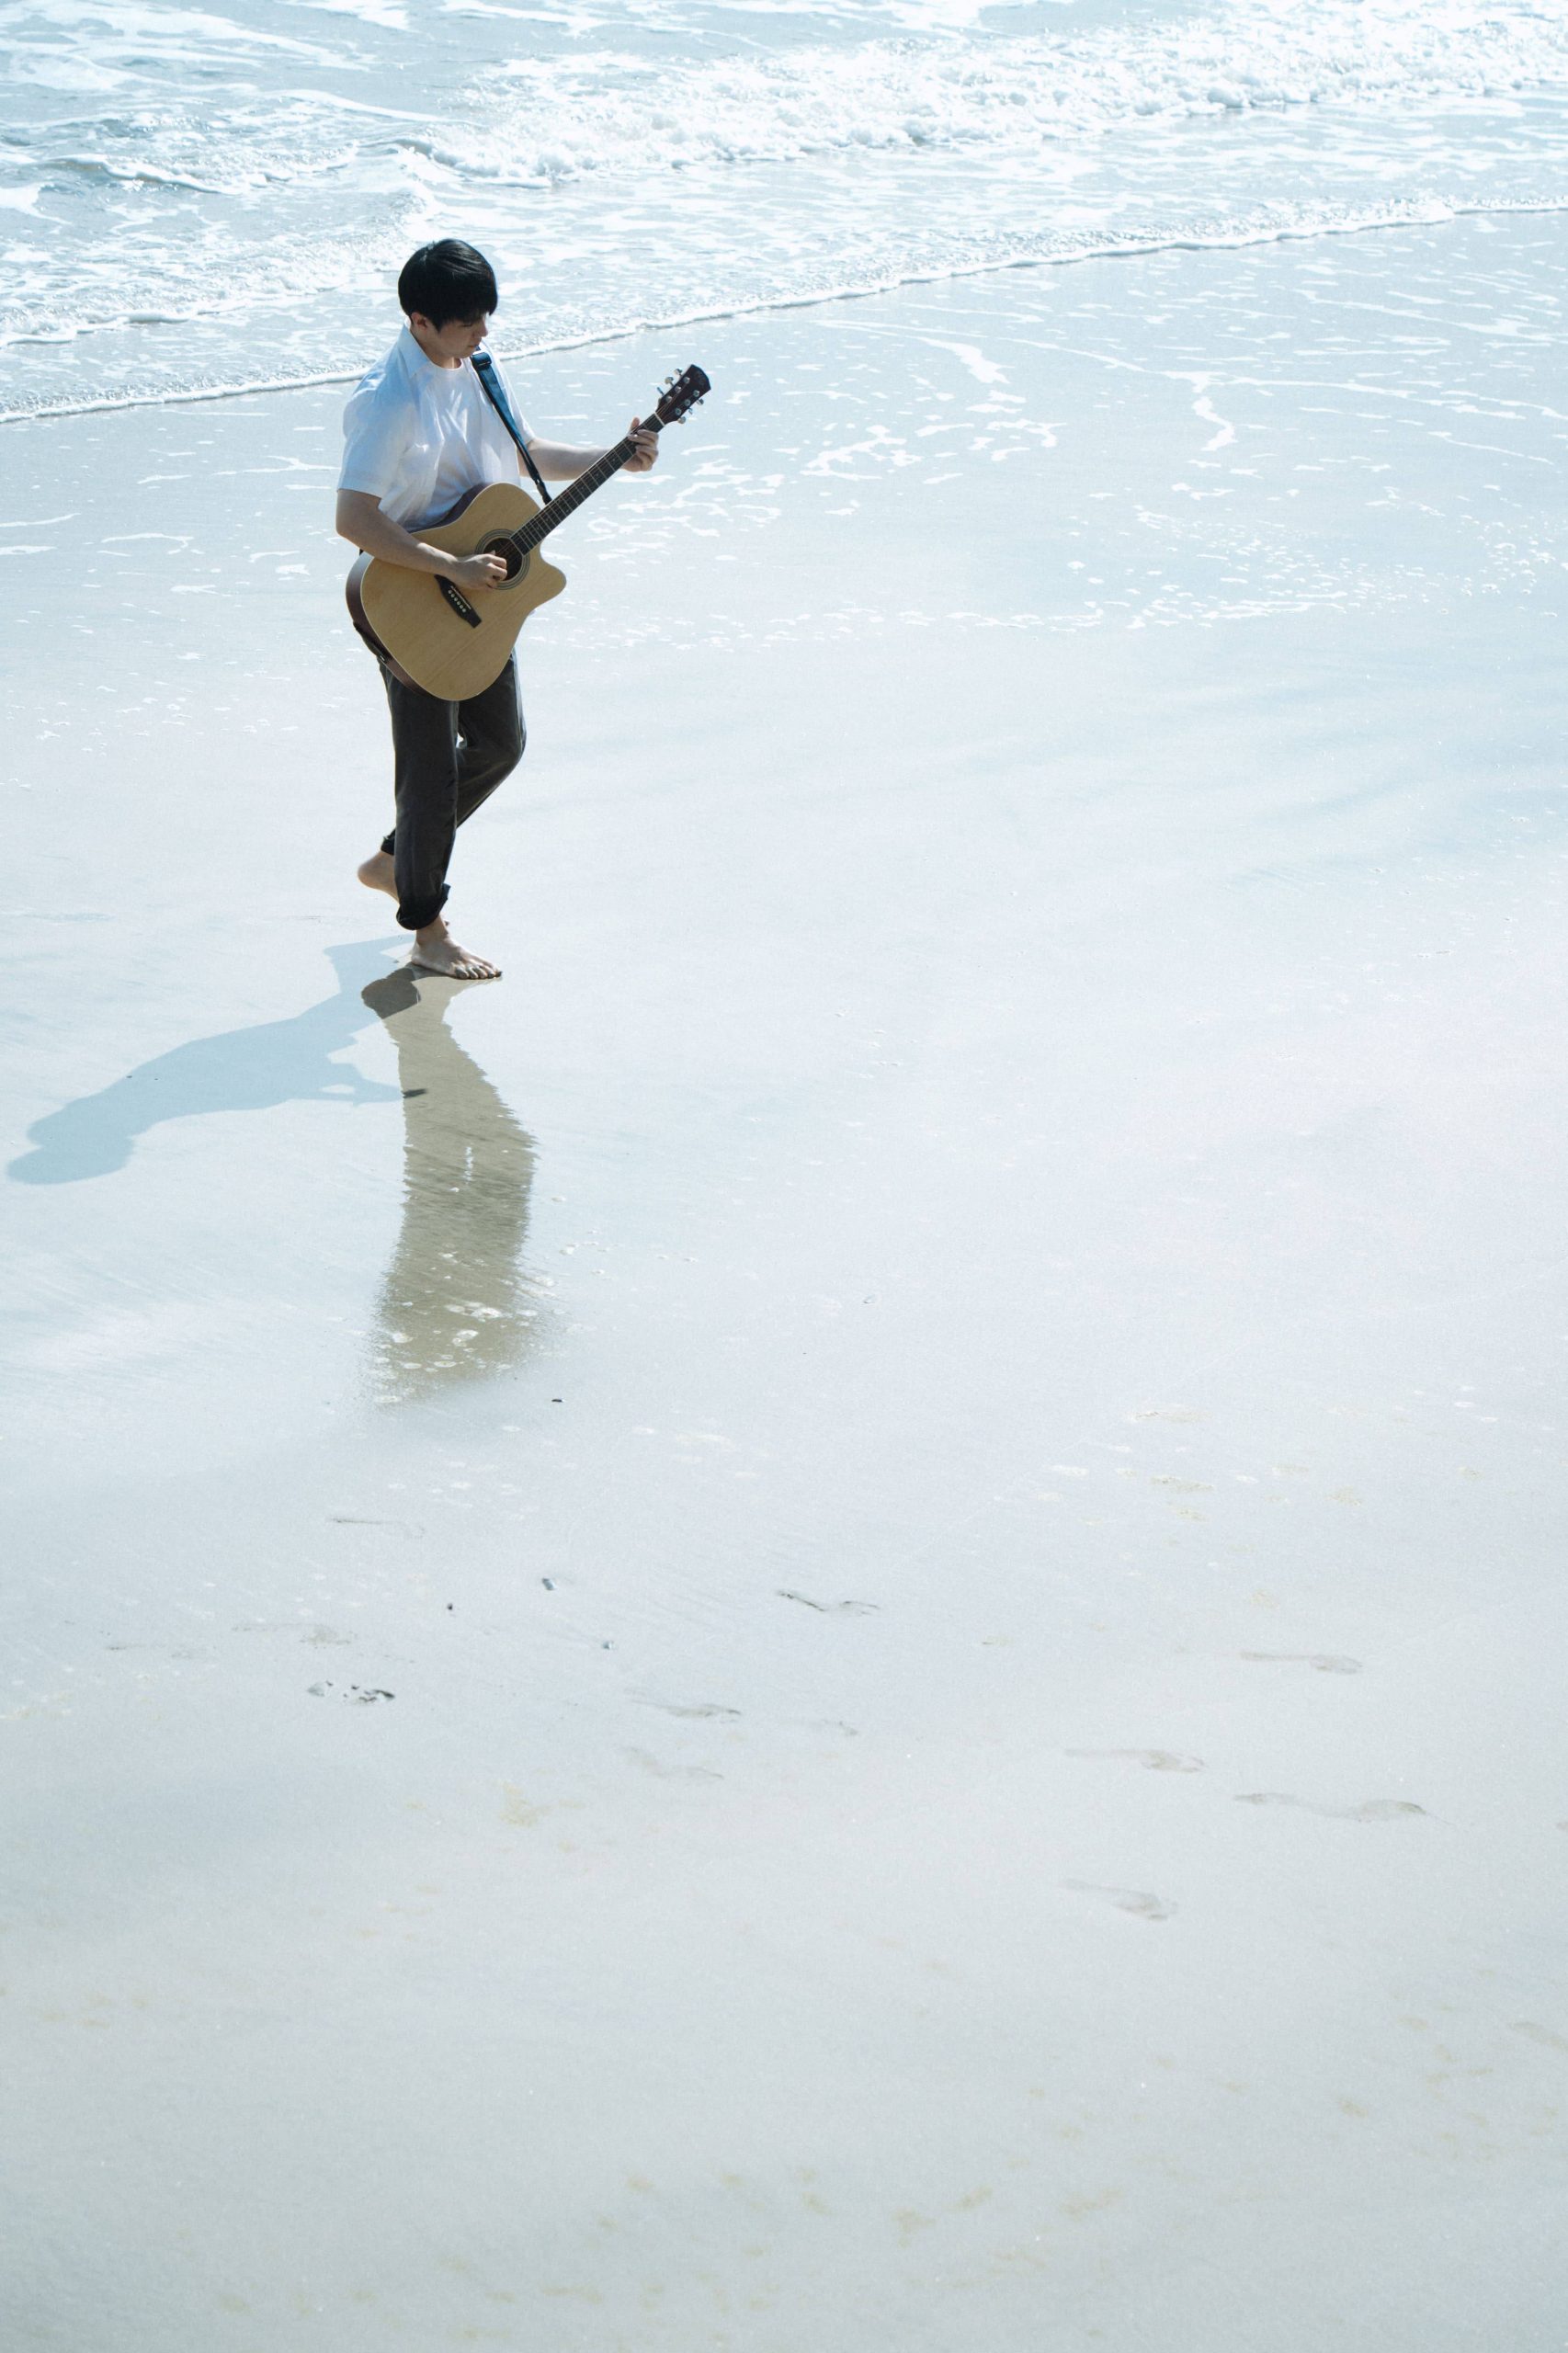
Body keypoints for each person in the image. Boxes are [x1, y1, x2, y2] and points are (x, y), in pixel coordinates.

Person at [335, 239, 657, 979]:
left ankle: (398, 861)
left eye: (486, 317)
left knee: (501, 745)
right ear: (420, 320)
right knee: (428, 773)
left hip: (480, 596)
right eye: (467, 323)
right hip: (410, 598)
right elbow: (354, 519)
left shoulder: (478, 368)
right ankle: (427, 929)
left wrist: (615, 455)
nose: (484, 333)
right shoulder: (387, 400)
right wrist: (449, 564)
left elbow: (524, 452)